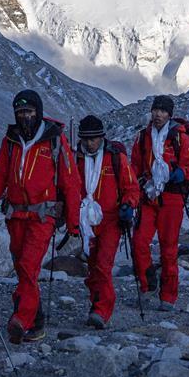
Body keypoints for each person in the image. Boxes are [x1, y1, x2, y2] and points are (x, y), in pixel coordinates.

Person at [0, 90, 81, 344]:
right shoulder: (11, 140)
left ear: (38, 111)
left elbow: (70, 181)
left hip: (43, 215)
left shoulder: (55, 140)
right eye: (20, 112)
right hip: (15, 214)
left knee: (28, 265)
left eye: (29, 111)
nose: (24, 116)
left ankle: (21, 319)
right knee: (22, 269)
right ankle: (37, 322)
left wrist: (73, 221)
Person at [131, 95, 189, 312]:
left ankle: (168, 295)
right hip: (149, 197)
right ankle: (147, 283)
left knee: (168, 248)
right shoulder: (143, 138)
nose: (158, 114)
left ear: (169, 114)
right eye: (155, 110)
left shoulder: (179, 137)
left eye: (162, 111)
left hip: (172, 198)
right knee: (139, 242)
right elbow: (134, 167)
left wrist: (182, 172)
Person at [74, 115, 139, 328]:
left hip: (111, 219)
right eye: (86, 139)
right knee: (92, 267)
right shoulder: (77, 159)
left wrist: (128, 205)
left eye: (93, 139)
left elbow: (131, 187)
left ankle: (102, 311)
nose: (90, 143)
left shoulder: (115, 158)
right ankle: (96, 304)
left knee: (103, 264)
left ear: (102, 137)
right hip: (86, 221)